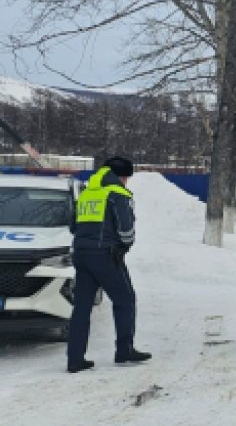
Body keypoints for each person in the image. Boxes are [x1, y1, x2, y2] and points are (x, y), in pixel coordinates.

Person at [66, 156, 151, 373]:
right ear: (122, 176)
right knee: (125, 299)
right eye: (126, 178)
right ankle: (125, 350)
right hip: (105, 255)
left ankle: (75, 358)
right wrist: (124, 246)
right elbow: (126, 228)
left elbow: (73, 225)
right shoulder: (117, 194)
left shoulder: (86, 193)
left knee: (82, 307)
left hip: (81, 254)